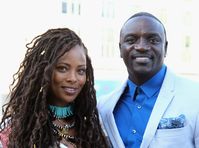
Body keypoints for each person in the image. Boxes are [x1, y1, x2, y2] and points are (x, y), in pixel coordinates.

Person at [97, 12, 199, 148]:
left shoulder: (195, 96)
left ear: (165, 48)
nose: (141, 47)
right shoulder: (104, 106)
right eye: (131, 40)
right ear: (120, 49)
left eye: (153, 40)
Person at [0, 28, 110, 148]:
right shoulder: (17, 128)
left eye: (81, 70)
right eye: (62, 68)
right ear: (44, 71)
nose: (73, 78)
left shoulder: (94, 126)